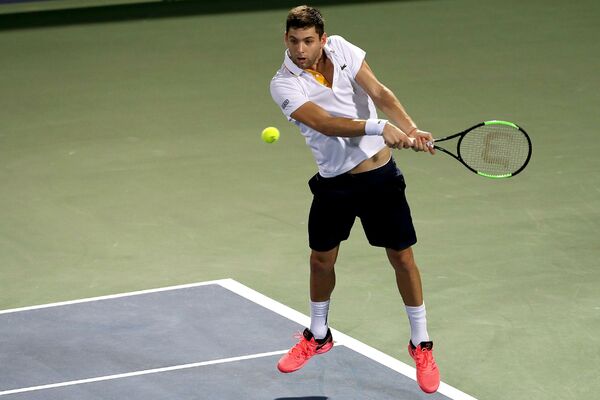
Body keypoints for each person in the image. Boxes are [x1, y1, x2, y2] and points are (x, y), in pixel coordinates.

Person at [269, 5, 440, 394]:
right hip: (335, 184)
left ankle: (421, 343)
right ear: (286, 39)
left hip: (381, 179)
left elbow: (379, 92)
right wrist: (380, 126)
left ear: (323, 39)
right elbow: (326, 124)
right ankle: (318, 334)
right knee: (320, 260)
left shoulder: (342, 49)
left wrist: (410, 128)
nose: (300, 49)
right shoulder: (283, 84)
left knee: (402, 258)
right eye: (294, 41)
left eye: (308, 41)